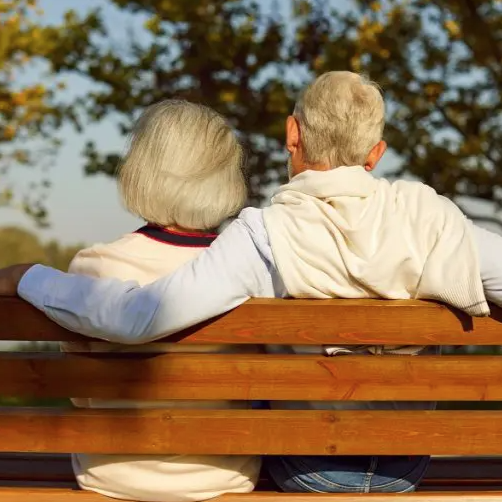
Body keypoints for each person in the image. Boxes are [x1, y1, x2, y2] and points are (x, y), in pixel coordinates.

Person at [2, 71, 502, 494]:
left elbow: (142, 316)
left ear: (292, 134)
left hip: (306, 469)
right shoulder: (433, 218)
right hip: (405, 463)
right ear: (375, 153)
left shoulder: (264, 234)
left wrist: (33, 278)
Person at [49, 99, 260, 502]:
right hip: (223, 476)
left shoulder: (94, 268)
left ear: (141, 171)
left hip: (111, 474)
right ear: (226, 177)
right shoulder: (246, 274)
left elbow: (80, 393)